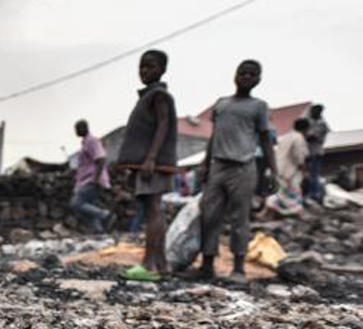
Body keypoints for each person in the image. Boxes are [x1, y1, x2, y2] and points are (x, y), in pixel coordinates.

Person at [193, 60, 277, 282]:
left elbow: (266, 140)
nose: (246, 77)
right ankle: (207, 264)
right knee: (209, 216)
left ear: (258, 79)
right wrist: (204, 163)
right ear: (235, 75)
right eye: (243, 73)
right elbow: (214, 137)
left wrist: (273, 172)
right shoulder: (221, 104)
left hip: (243, 168)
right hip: (218, 166)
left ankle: (238, 269)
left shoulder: (259, 106)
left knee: (240, 219)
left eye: (252, 74)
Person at [114, 49, 178, 282]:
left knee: (153, 209)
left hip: (153, 163)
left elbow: (163, 126)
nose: (144, 71)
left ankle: (149, 265)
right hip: (147, 163)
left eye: (150, 67)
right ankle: (161, 265)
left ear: (162, 70)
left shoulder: (159, 95)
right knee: (153, 208)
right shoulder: (147, 96)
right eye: (141, 66)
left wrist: (151, 158)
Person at [70, 120, 114, 233]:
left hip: (90, 180)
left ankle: (105, 215)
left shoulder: (92, 141)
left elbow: (101, 158)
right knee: (89, 206)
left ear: (84, 128)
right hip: (85, 180)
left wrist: (96, 178)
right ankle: (98, 230)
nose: (76, 132)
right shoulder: (85, 143)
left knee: (76, 203)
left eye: (77, 129)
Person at [261, 118, 310, 218]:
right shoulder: (299, 138)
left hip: (280, 168)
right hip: (290, 170)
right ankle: (298, 212)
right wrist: (304, 170)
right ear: (305, 129)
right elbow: (299, 157)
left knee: (282, 192)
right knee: (293, 192)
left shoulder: (286, 137)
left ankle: (268, 211)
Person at [303, 104, 329, 203]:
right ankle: (307, 193)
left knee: (314, 174)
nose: (313, 113)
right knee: (306, 174)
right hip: (306, 152)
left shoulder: (322, 124)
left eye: (316, 111)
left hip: (315, 151)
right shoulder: (307, 121)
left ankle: (314, 195)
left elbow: (321, 136)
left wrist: (314, 136)